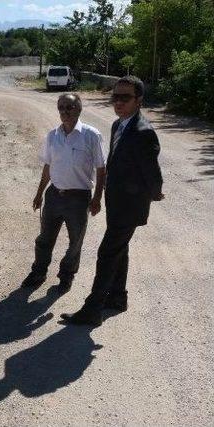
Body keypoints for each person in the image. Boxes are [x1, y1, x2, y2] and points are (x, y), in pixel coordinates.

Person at [61, 76, 164, 327]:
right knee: (120, 250)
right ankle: (118, 298)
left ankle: (92, 309)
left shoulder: (143, 132)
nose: (118, 102)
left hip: (130, 206)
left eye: (125, 97)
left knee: (107, 253)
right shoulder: (119, 124)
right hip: (116, 202)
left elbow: (153, 172)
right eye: (115, 96)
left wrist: (155, 192)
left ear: (139, 100)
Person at [22, 93, 106, 293]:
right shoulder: (53, 136)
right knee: (44, 239)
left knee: (75, 242)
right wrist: (39, 193)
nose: (64, 111)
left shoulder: (91, 135)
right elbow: (48, 166)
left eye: (69, 107)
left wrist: (97, 198)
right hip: (53, 196)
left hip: (79, 198)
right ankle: (39, 272)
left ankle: (66, 276)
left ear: (79, 109)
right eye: (61, 107)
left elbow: (101, 169)